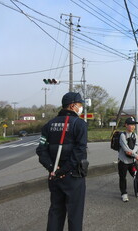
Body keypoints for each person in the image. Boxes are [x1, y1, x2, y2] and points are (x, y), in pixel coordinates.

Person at [36, 92, 88, 231]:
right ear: (72, 106)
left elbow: (41, 150)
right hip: (73, 176)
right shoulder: (79, 124)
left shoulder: (49, 125)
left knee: (56, 212)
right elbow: (79, 151)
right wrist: (63, 170)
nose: (80, 108)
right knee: (75, 214)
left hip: (53, 177)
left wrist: (52, 169)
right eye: (79, 105)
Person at [118, 117, 138, 202]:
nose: (133, 126)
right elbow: (126, 150)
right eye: (130, 124)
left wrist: (134, 154)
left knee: (136, 176)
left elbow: (136, 146)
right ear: (126, 125)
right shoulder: (122, 135)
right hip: (123, 161)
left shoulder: (135, 135)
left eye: (134, 125)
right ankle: (124, 193)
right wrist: (135, 155)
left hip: (132, 161)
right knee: (123, 178)